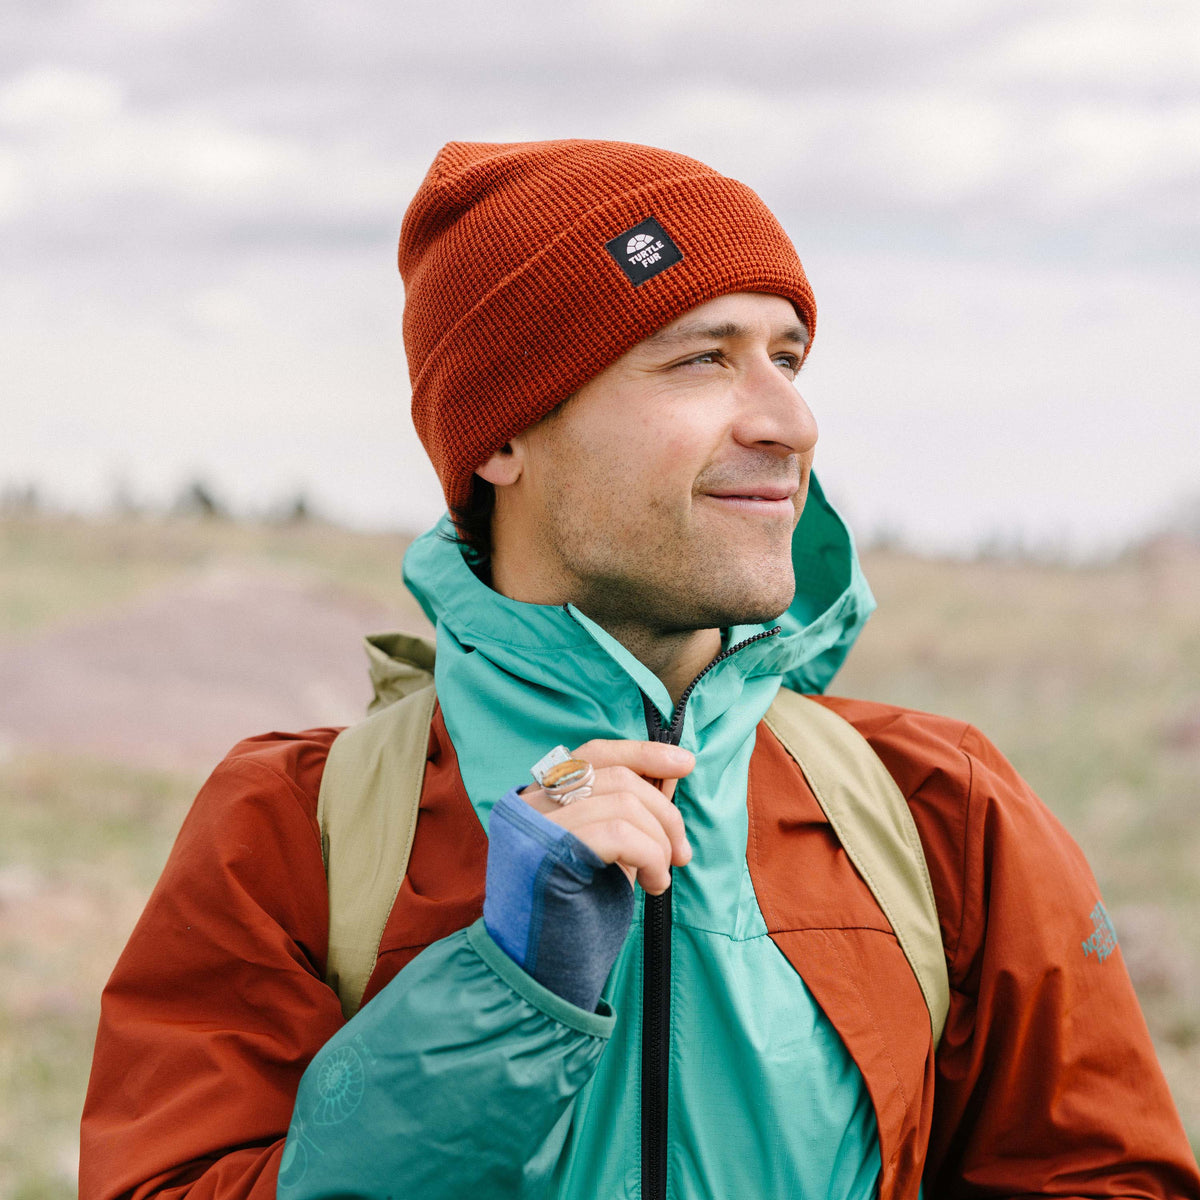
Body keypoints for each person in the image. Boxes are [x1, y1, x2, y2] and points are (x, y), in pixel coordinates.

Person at [80, 139, 1200, 1200]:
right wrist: (504, 998)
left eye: (789, 358)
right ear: (503, 436)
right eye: (703, 358)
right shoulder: (294, 832)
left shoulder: (937, 811)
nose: (790, 419)